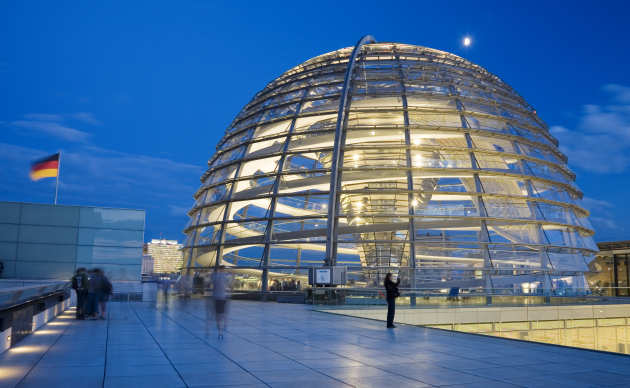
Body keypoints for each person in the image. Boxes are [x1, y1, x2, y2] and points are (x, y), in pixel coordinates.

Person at [211, 266, 231, 339]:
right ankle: (224, 325)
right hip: (223, 297)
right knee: (223, 313)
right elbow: (229, 285)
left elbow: (212, 284)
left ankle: (220, 330)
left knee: (217, 315)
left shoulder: (215, 276)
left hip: (216, 297)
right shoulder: (226, 276)